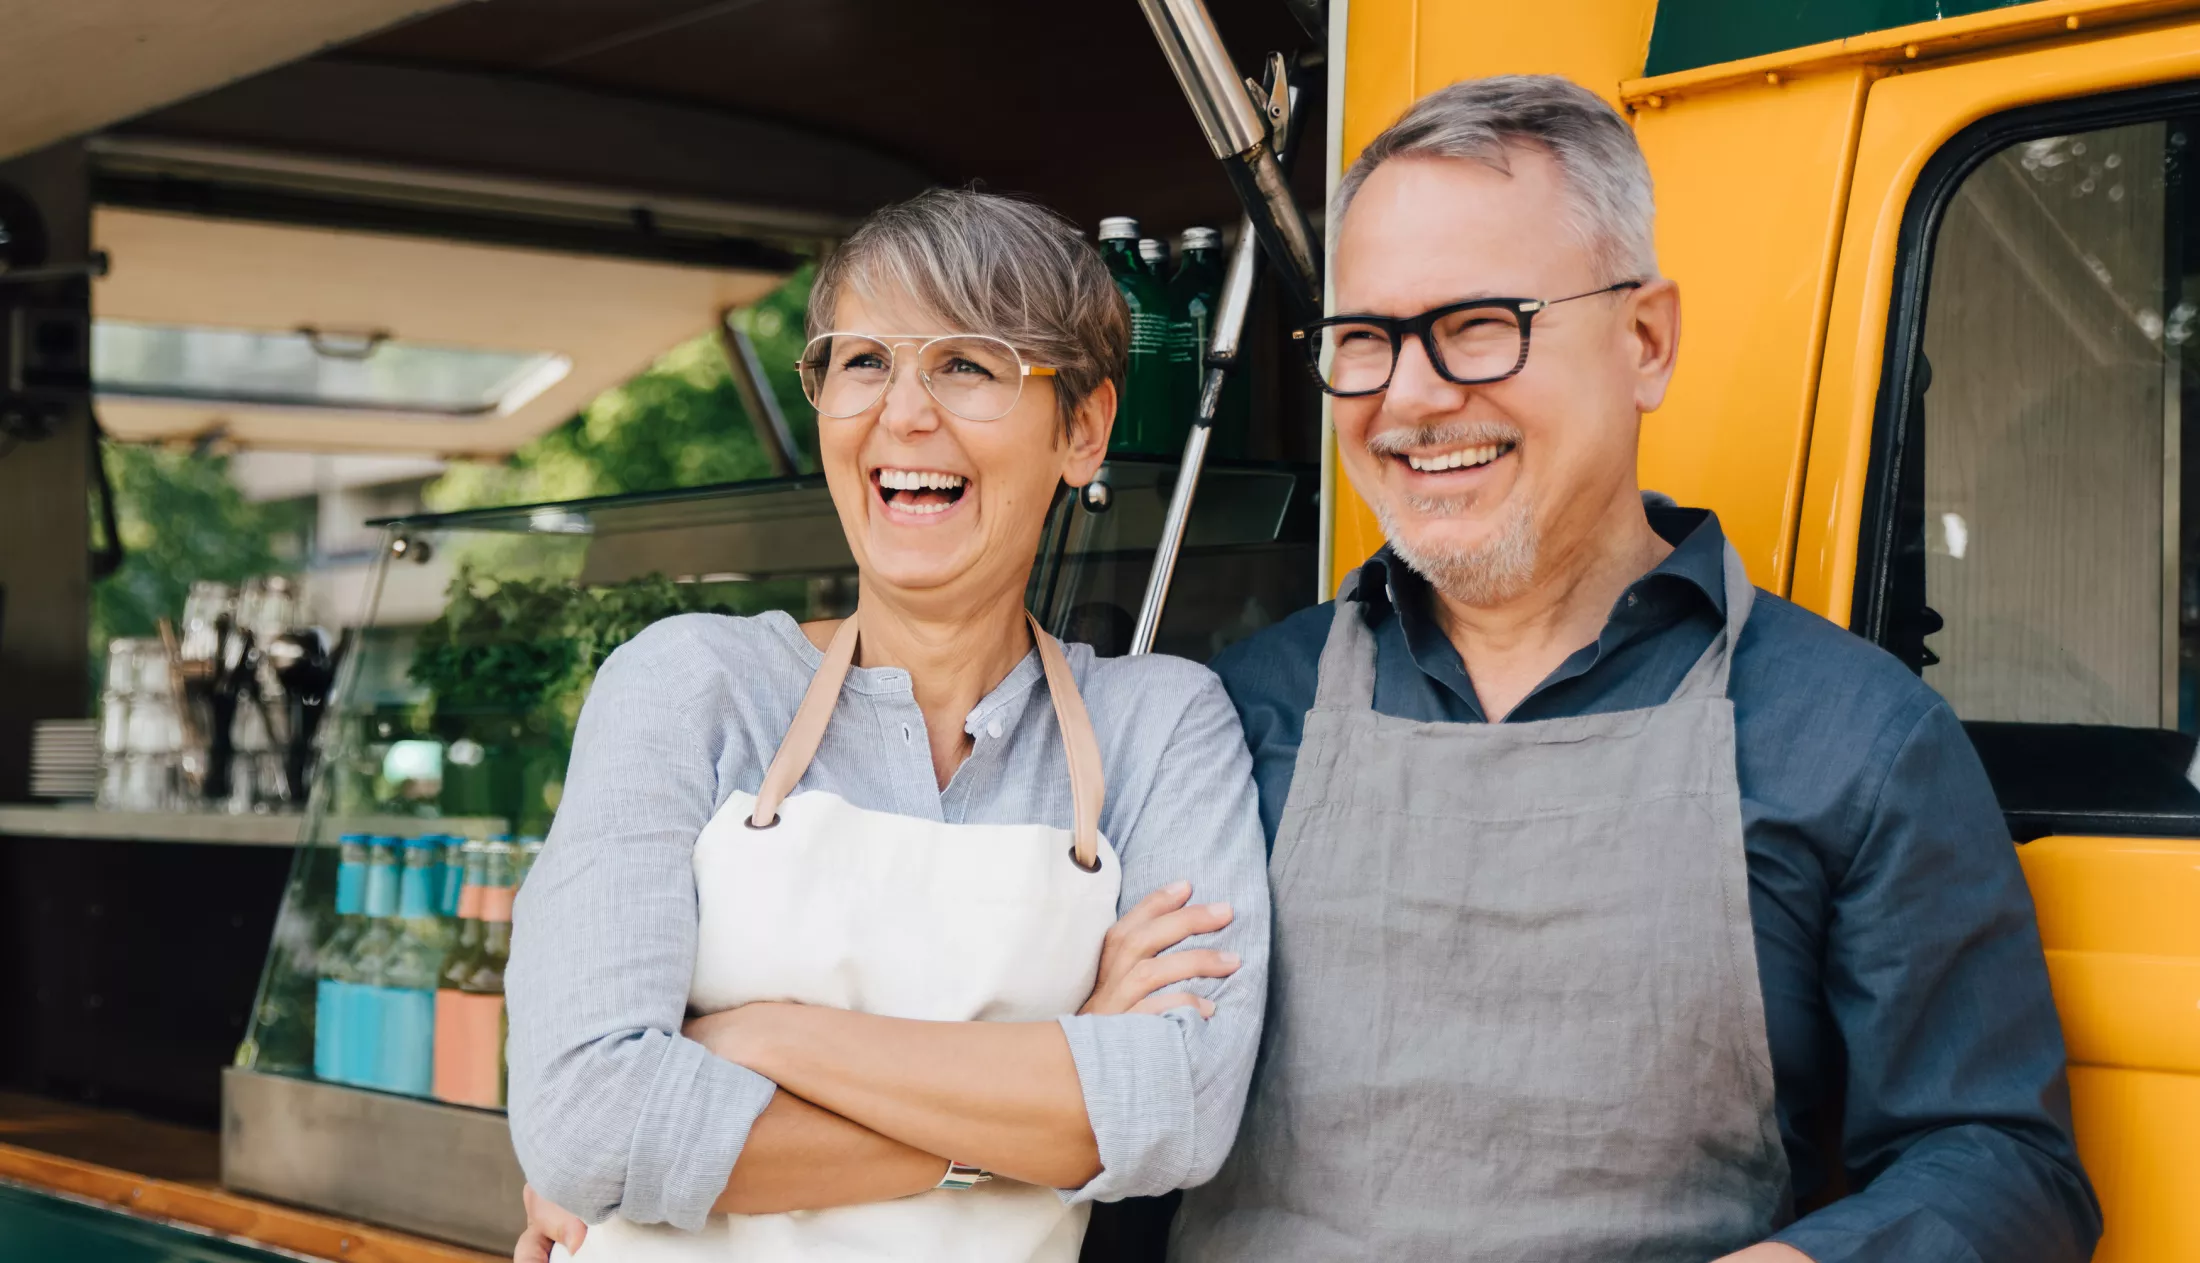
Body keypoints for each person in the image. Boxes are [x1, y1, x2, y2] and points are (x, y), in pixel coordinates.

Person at [1171, 76, 2101, 1262]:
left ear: (1644, 342)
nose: (1407, 397)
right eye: (1365, 340)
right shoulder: (1234, 716)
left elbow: (1997, 1160)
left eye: (1476, 325)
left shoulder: (1859, 739)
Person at [502, 189, 1270, 1262]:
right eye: (861, 361)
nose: (903, 413)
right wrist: (1049, 1096)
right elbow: (588, 1127)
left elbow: (1181, 1112)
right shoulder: (689, 686)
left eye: (968, 364)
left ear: (1082, 429)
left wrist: (769, 1037)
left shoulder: (1158, 724)